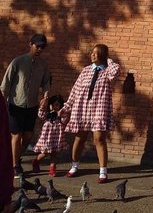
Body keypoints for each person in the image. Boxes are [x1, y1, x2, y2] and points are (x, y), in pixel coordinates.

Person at [59, 44, 120, 183]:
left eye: (96, 53)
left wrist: (108, 60)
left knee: (99, 139)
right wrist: (67, 107)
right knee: (79, 138)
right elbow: (75, 90)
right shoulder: (86, 70)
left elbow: (115, 71)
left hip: (99, 109)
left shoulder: (108, 71)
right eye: (92, 52)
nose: (93, 55)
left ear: (102, 55)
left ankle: (103, 171)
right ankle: (74, 166)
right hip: (82, 109)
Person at [1, 33, 51, 176]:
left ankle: (14, 158)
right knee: (16, 135)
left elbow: (46, 82)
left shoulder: (43, 65)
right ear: (30, 44)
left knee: (28, 137)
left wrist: (46, 96)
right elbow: (5, 84)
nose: (40, 49)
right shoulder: (18, 62)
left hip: (32, 105)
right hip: (15, 104)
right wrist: (3, 105)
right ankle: (15, 166)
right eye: (38, 46)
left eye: (43, 47)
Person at [31, 94, 66, 177]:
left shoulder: (60, 114)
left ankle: (52, 168)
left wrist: (62, 114)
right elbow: (41, 115)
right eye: (54, 104)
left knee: (54, 153)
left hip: (57, 136)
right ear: (51, 104)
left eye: (58, 105)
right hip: (47, 137)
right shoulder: (47, 114)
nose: (56, 107)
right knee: (45, 152)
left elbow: (64, 121)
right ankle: (36, 161)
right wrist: (43, 105)